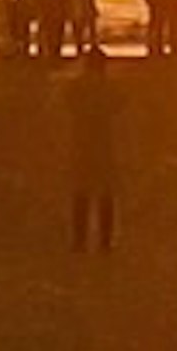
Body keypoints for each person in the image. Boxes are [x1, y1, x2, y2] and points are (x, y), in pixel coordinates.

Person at [64, 41, 119, 258]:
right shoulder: (109, 89)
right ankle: (105, 240)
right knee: (105, 192)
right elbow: (120, 104)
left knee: (81, 192)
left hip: (81, 142)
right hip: (103, 143)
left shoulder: (76, 88)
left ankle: (80, 239)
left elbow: (67, 103)